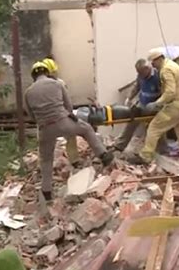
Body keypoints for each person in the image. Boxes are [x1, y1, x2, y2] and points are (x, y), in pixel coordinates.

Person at [24, 61, 114, 200]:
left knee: (46, 159)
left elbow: (30, 115)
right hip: (63, 121)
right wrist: (69, 116)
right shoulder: (57, 84)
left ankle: (46, 191)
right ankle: (103, 155)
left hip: (44, 128)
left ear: (33, 76)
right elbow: (68, 105)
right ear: (47, 72)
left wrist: (42, 121)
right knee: (86, 129)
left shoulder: (28, 92)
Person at [127, 49, 179, 168]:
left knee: (154, 127)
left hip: (178, 105)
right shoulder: (172, 65)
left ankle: (145, 156)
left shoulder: (166, 70)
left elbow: (170, 92)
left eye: (153, 62)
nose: (152, 65)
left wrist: (157, 103)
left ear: (158, 59)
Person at [113, 58, 162, 151]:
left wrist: (157, 104)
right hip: (142, 104)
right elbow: (136, 87)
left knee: (155, 127)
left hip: (154, 106)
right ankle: (120, 145)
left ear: (147, 69)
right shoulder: (140, 76)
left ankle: (159, 148)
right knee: (132, 120)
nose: (141, 75)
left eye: (142, 73)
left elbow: (164, 93)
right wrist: (129, 98)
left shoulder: (158, 76)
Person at [41, 57, 81, 168]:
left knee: (69, 137)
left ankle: (73, 161)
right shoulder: (58, 84)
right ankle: (50, 163)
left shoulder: (56, 84)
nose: (54, 75)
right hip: (57, 117)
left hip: (53, 117)